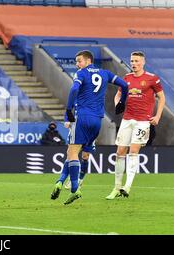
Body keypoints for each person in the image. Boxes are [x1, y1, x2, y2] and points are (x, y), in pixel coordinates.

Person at [50, 50, 128, 205]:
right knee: (73, 152)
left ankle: (74, 189)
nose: (77, 64)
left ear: (88, 60)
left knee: (72, 153)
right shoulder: (105, 73)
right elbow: (124, 85)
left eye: (79, 61)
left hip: (82, 117)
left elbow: (73, 90)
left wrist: (68, 110)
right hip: (98, 121)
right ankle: (60, 182)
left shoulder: (81, 74)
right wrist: (122, 103)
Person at [106, 51, 165, 200]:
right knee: (120, 152)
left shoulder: (152, 79)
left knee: (133, 151)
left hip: (143, 121)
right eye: (132, 61)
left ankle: (127, 186)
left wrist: (157, 116)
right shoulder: (126, 78)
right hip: (127, 119)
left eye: (137, 61)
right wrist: (117, 104)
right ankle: (117, 187)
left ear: (143, 62)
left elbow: (162, 98)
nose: (134, 63)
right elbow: (118, 94)